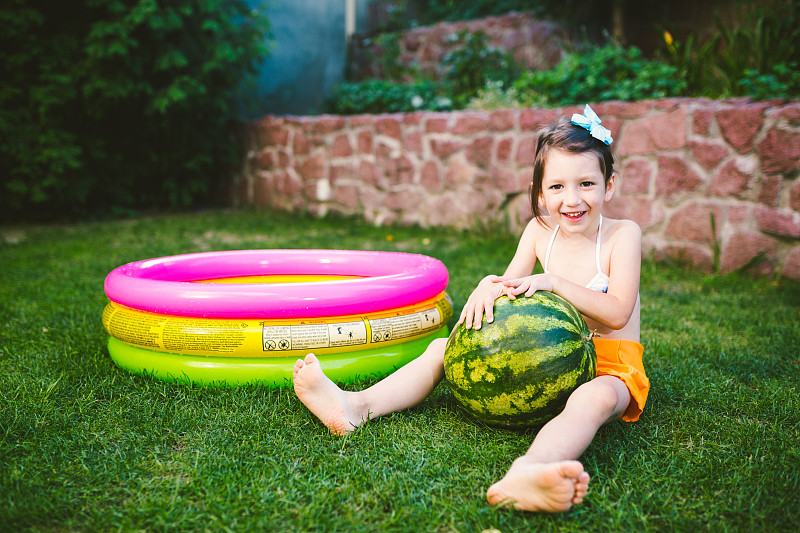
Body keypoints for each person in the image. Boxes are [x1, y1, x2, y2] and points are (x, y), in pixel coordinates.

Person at [292, 104, 650, 513]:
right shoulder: (539, 232)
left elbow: (618, 311)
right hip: (544, 359)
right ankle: (355, 406)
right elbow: (507, 282)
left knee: (591, 400)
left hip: (612, 365)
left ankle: (530, 470)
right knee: (440, 350)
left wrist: (553, 283)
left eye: (586, 183)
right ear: (539, 194)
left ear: (609, 186)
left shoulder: (623, 235)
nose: (572, 199)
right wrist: (487, 285)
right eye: (557, 187)